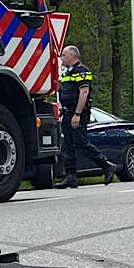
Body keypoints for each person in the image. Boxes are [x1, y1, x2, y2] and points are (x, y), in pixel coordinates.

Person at [55, 45, 116, 187]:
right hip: (67, 112)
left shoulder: (82, 71)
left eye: (64, 55)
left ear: (73, 56)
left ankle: (106, 165)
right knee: (67, 145)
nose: (62, 58)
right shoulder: (68, 73)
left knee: (81, 143)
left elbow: (84, 93)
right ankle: (70, 176)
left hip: (78, 113)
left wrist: (77, 114)